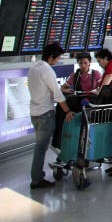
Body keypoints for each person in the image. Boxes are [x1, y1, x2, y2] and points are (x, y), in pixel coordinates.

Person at [27, 42, 75, 189]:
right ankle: (36, 179)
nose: (58, 60)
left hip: (34, 112)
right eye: (58, 58)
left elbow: (45, 89)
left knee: (39, 146)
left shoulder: (34, 67)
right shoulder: (47, 71)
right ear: (51, 57)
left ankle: (37, 177)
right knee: (41, 148)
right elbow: (57, 95)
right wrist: (67, 110)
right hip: (45, 114)